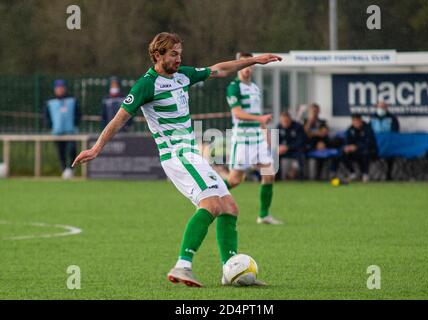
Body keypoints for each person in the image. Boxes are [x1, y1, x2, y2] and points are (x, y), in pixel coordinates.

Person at [72, 32, 282, 287]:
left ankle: (230, 271)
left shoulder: (183, 75)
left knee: (230, 207)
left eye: (180, 53)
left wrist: (254, 60)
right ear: (157, 55)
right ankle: (183, 265)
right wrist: (96, 148)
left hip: (191, 153)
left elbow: (219, 70)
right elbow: (119, 119)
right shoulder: (146, 85)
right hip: (176, 155)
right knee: (212, 205)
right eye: (173, 54)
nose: (179, 59)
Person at [223, 52, 283, 225]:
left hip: (257, 137)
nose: (246, 68)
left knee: (269, 173)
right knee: (234, 181)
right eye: (243, 64)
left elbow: (258, 115)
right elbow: (237, 113)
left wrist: (266, 136)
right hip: (242, 138)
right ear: (237, 65)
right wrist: (260, 119)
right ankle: (206, 196)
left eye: (249, 65)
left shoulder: (255, 88)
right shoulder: (234, 87)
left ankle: (263, 215)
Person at [45, 79, 81, 179]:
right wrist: (50, 126)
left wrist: (75, 124)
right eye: (58, 88)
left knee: (72, 150)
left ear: (64, 88)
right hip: (57, 132)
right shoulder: (50, 101)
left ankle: (72, 169)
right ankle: (64, 169)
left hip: (71, 131)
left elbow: (78, 114)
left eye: (61, 87)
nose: (60, 89)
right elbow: (46, 116)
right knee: (61, 152)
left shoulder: (72, 99)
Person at [341, 114, 378, 182]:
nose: (356, 123)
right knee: (343, 152)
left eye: (357, 121)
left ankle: (365, 174)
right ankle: (352, 173)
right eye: (354, 121)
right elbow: (346, 141)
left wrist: (357, 147)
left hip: (368, 151)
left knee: (365, 152)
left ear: (360, 120)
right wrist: (347, 147)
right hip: (354, 152)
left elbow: (369, 143)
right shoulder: (350, 129)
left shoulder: (367, 129)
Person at [370, 101, 400, 180]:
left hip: (388, 144)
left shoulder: (392, 118)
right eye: (379, 107)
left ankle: (389, 175)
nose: (381, 109)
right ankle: (366, 174)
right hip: (375, 144)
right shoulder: (372, 118)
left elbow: (395, 132)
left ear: (386, 108)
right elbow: (369, 132)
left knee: (391, 155)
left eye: (383, 107)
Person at [277, 111, 307, 180]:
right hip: (283, 150)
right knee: (275, 154)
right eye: (283, 121)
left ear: (290, 119)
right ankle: (277, 176)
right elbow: (274, 141)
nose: (285, 123)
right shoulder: (278, 127)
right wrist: (278, 147)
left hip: (295, 150)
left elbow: (301, 141)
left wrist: (288, 147)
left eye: (287, 121)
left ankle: (301, 177)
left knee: (301, 154)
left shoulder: (298, 127)